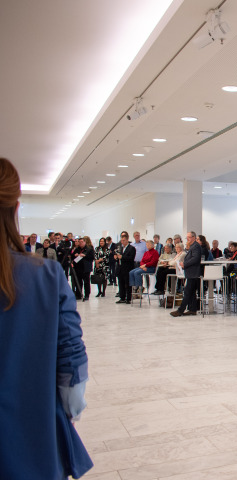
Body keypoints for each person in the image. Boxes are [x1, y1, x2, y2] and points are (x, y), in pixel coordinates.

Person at [0, 158, 93, 480]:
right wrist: (71, 407)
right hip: (30, 428)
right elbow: (70, 357)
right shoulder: (43, 275)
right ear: (15, 207)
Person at [171, 232, 202, 317]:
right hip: (190, 272)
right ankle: (192, 309)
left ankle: (180, 310)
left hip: (193, 272)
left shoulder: (196, 246)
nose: (187, 239)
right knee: (191, 292)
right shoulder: (193, 246)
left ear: (193, 237)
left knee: (188, 291)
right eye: (187, 237)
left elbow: (195, 259)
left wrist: (185, 264)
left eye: (189, 237)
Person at [115, 232, 136, 304]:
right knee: (121, 283)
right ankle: (122, 297)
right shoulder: (120, 248)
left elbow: (131, 258)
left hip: (127, 268)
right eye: (121, 240)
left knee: (127, 284)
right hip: (120, 268)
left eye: (124, 240)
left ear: (127, 240)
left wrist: (122, 257)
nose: (122, 242)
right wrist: (117, 257)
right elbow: (119, 257)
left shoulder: (131, 248)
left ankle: (128, 298)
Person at [72, 237, 95, 302]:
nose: (81, 243)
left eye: (82, 242)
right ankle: (79, 294)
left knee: (86, 282)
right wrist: (76, 256)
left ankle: (87, 295)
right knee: (78, 282)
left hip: (86, 268)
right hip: (78, 268)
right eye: (79, 242)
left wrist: (84, 256)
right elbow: (74, 258)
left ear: (85, 242)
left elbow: (92, 257)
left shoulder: (89, 249)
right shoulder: (77, 249)